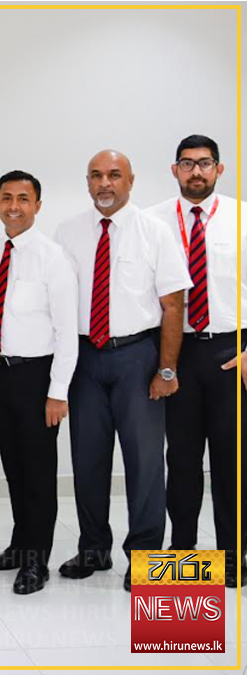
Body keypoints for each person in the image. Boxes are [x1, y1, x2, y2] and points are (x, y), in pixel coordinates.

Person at [54, 150, 190, 592]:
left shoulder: (155, 231)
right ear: (87, 182)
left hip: (137, 357)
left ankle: (146, 558)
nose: (105, 183)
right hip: (85, 359)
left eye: (114, 175)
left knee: (145, 464)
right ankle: (94, 548)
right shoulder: (68, 232)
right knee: (87, 460)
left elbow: (173, 305)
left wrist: (166, 370)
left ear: (131, 181)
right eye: (96, 175)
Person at [146, 135, 245, 587]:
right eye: (187, 164)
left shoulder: (242, 218)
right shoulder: (152, 222)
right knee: (182, 460)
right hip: (175, 354)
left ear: (219, 169)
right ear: (175, 170)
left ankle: (233, 555)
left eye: (205, 163)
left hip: (231, 353)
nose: (196, 172)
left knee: (232, 461)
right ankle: (181, 553)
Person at [0, 171, 78, 595]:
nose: (13, 206)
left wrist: (58, 392)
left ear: (37, 205)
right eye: (6, 197)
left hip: (38, 378)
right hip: (0, 374)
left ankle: (37, 559)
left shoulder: (54, 257)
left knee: (38, 473)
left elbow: (67, 333)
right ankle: (19, 546)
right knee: (14, 467)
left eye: (22, 198)